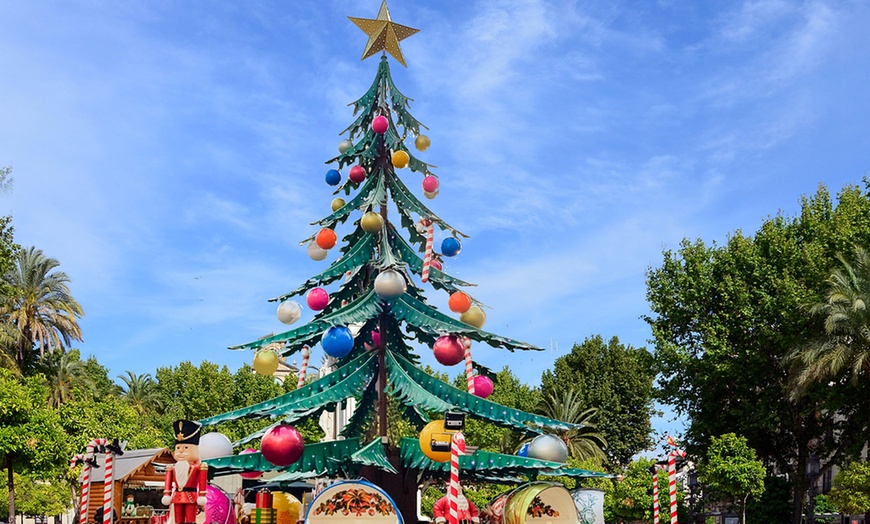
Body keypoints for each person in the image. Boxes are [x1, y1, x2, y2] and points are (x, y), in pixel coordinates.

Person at [162, 420, 208, 524]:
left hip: (190, 496)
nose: (181, 451)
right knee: (178, 520)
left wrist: (202, 495)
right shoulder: (172, 467)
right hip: (177, 496)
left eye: (186, 448)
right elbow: (168, 482)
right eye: (178, 448)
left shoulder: (198, 467)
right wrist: (167, 494)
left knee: (190, 520)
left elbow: (202, 482)